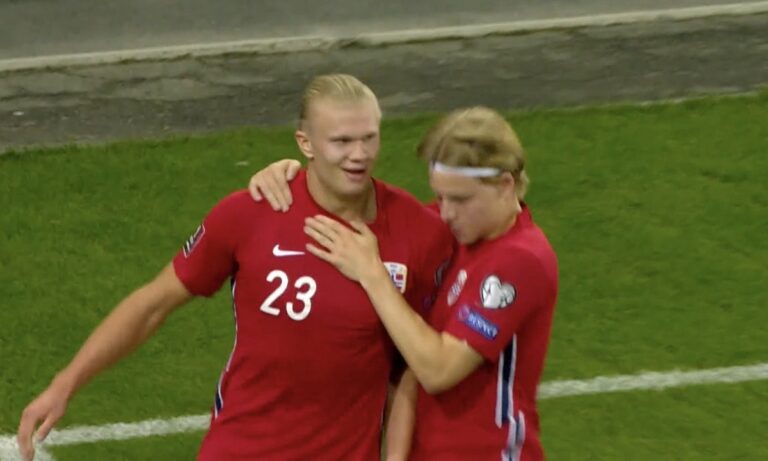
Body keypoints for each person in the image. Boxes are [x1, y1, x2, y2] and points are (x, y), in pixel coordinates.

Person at [16, 74, 453, 461]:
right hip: (241, 449)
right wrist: (65, 383)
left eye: (369, 138)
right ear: (305, 144)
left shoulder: (419, 233)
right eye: (341, 142)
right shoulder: (251, 213)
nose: (359, 154)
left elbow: (415, 365)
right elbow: (153, 304)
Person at [249, 106, 558, 460]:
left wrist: (373, 275)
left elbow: (437, 369)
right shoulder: (452, 230)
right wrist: (292, 181)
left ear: (505, 186)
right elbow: (348, 219)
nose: (446, 213)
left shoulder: (520, 260)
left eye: (460, 199)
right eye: (440, 197)